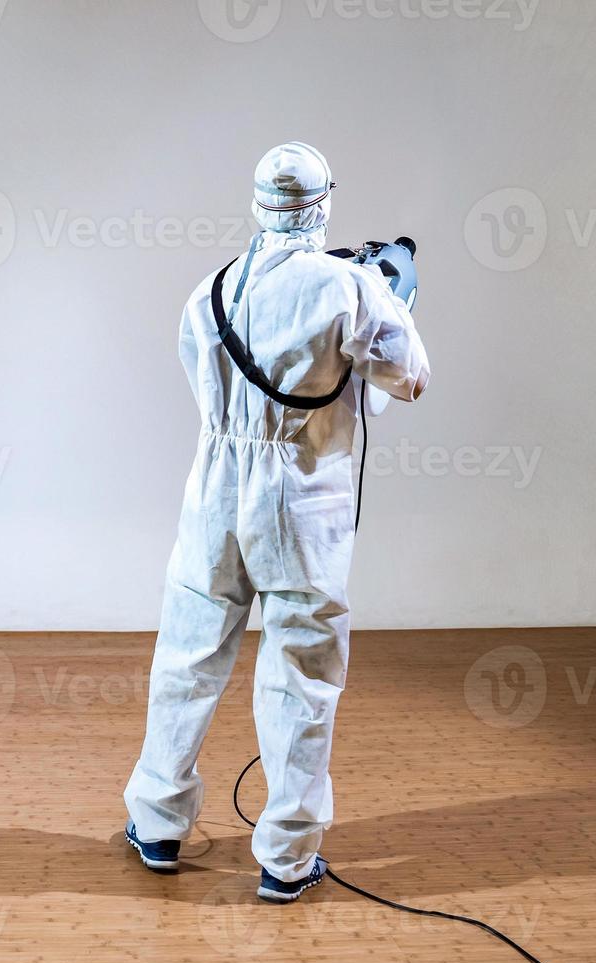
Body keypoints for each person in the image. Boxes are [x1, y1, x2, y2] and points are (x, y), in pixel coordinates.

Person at [122, 141, 431, 903]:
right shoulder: (348, 286)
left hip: (213, 494)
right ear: (322, 205)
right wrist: (394, 296)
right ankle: (287, 859)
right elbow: (410, 378)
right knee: (300, 676)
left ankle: (157, 822)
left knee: (188, 655)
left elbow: (204, 382)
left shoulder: (210, 290)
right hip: (300, 500)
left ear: (257, 205)